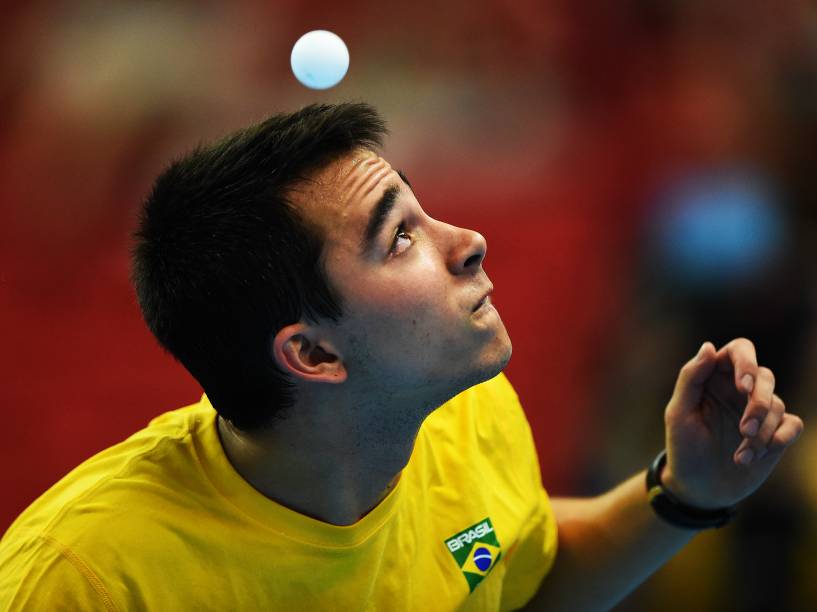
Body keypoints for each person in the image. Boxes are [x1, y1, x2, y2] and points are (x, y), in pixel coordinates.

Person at [0, 103, 804, 611]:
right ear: (313, 352)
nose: (469, 241)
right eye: (401, 238)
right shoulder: (84, 581)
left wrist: (688, 492)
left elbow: (509, 576)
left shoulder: (464, 409)